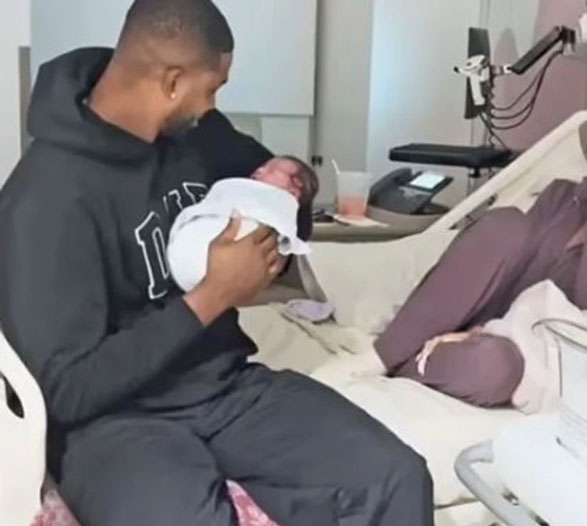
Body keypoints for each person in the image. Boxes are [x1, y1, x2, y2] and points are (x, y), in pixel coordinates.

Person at [0, 1, 433, 525]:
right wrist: (210, 298)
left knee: (397, 476)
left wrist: (295, 183)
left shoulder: (197, 135)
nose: (212, 106)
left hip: (226, 389)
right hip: (113, 424)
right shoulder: (43, 201)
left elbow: (272, 184)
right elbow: (66, 391)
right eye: (213, 88)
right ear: (172, 81)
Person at [366, 98, 587, 407]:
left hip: (517, 343)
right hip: (469, 309)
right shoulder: (563, 195)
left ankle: (408, 361)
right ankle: (383, 356)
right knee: (505, 225)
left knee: (494, 369)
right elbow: (500, 264)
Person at [167, 155, 319, 292]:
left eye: (271, 169)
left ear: (294, 190)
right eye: (263, 166)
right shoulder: (240, 187)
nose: (259, 170)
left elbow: (287, 233)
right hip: (186, 258)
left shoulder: (283, 205)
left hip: (225, 264)